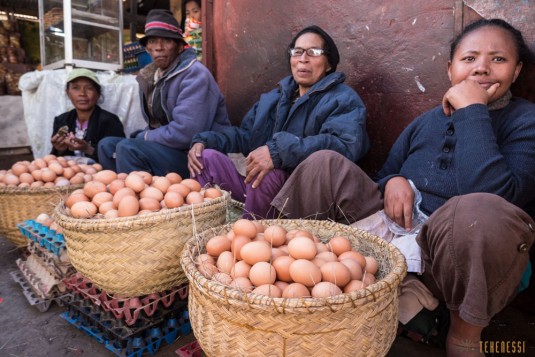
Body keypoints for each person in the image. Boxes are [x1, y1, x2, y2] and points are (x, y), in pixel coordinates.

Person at [272, 19, 535, 356]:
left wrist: (473, 111)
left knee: (476, 210)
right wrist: (392, 181)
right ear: (450, 69)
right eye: (469, 59)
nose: (482, 68)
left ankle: (463, 334)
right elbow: (387, 172)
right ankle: (282, 276)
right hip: (394, 229)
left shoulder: (525, 120)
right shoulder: (425, 122)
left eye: (498, 59)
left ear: (516, 72)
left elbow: (502, 196)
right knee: (324, 164)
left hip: (457, 256)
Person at [188, 25, 370, 219]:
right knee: (205, 158)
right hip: (260, 190)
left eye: (314, 52)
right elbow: (246, 136)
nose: (303, 59)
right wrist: (204, 140)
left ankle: (255, 240)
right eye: (297, 52)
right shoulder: (273, 99)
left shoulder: (342, 99)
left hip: (303, 197)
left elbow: (344, 146)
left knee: (265, 175)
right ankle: (207, 235)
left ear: (328, 64)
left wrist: (278, 152)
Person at [98, 9, 229, 177]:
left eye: (166, 41)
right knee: (107, 146)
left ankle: (147, 200)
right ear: (146, 48)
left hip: (196, 155)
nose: (158, 47)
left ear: (180, 46)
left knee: (128, 148)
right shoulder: (151, 76)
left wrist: (144, 136)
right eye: (152, 41)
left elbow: (186, 133)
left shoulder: (195, 74)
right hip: (171, 149)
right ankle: (123, 197)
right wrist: (144, 136)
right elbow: (158, 125)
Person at [51, 68, 125, 163]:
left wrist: (88, 149)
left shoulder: (110, 121)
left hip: (99, 174)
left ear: (98, 94)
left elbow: (118, 158)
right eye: (76, 88)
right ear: (68, 93)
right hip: (70, 172)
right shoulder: (62, 120)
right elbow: (55, 158)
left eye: (89, 88)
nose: (82, 94)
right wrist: (59, 149)